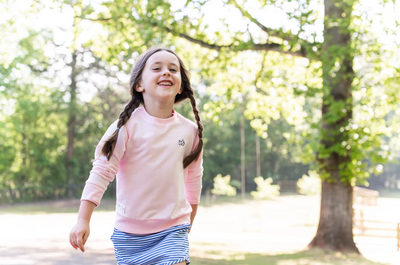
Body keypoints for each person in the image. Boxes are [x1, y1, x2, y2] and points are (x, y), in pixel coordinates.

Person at [69, 47, 204, 265]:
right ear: (139, 84)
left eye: (173, 69)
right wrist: (83, 220)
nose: (166, 72)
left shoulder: (190, 132)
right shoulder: (125, 127)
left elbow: (194, 179)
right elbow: (101, 172)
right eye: (157, 68)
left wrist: (189, 221)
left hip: (173, 229)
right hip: (130, 234)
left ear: (181, 86)